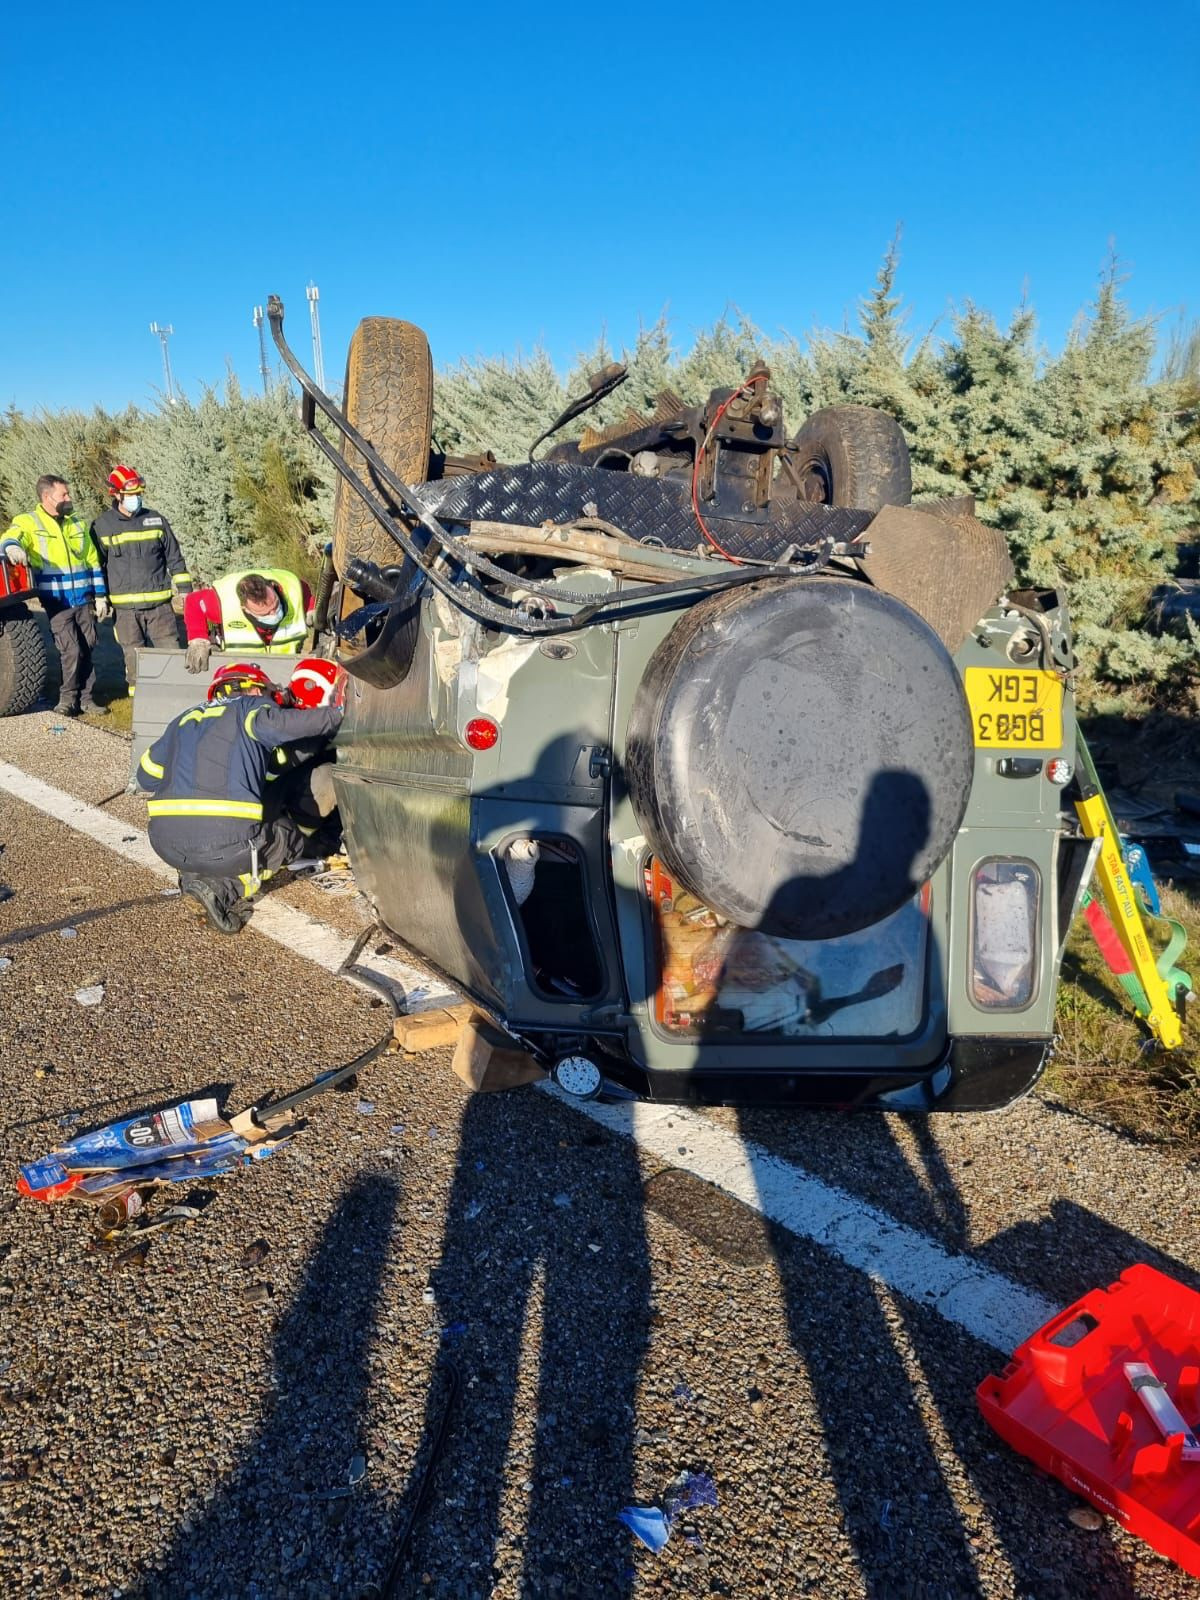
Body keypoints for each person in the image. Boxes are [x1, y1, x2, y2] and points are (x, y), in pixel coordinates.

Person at [136, 659, 345, 934]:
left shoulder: (183, 720)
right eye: (271, 693)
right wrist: (341, 713)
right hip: (227, 842)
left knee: (222, 838)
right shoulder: (251, 709)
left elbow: (145, 775)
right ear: (255, 690)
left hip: (166, 846)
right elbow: (291, 726)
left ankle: (197, 872)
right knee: (288, 838)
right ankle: (224, 887)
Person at [1, 474, 112, 715]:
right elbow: (11, 536)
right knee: (71, 650)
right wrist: (11, 547)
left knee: (88, 647)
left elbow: (92, 561)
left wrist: (101, 595)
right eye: (63, 494)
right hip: (57, 602)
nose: (68, 498)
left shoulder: (77, 524)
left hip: (85, 599)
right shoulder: (29, 522)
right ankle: (67, 700)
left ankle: (86, 699)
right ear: (47, 497)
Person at [92, 465, 193, 695]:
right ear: (116, 495)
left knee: (170, 652)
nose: (136, 499)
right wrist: (99, 597)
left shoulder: (155, 520)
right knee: (134, 656)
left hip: (160, 607)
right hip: (125, 610)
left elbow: (174, 556)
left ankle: (174, 697)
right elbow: (96, 565)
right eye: (131, 495)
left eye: (138, 495)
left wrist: (185, 590)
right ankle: (140, 702)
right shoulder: (102, 526)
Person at [183, 568, 313, 674]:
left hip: (286, 667)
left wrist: (312, 609)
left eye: (275, 606)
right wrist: (198, 640)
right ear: (244, 608)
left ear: (272, 587)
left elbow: (305, 593)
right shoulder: (221, 602)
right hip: (243, 670)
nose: (273, 614)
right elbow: (193, 602)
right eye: (265, 613)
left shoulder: (292, 588)